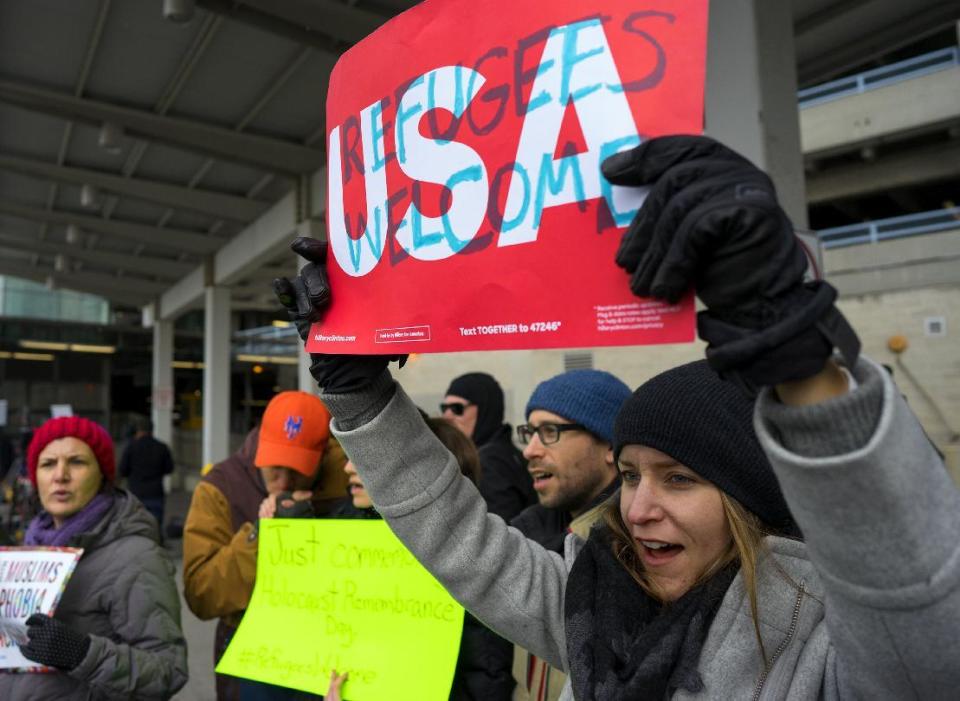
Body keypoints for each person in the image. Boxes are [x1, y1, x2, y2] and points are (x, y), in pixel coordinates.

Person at [275, 135, 960, 699]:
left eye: (680, 478)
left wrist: (800, 357)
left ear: (751, 500)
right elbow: (453, 535)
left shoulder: (828, 657)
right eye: (631, 475)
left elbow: (905, 586)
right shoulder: (594, 605)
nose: (637, 508)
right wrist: (358, 393)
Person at [0, 416, 187, 700]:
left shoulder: (136, 557)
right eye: (48, 463)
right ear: (35, 477)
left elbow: (168, 670)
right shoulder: (30, 547)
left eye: (77, 462)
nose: (60, 475)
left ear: (102, 475)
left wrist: (83, 653)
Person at [182, 390, 345, 701]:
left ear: (323, 455)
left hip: (328, 652)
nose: (284, 483)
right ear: (259, 447)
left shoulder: (348, 480)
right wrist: (261, 538)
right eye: (275, 467)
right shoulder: (220, 488)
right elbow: (201, 595)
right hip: (254, 657)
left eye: (298, 470)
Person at [335, 417, 513, 700]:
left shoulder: (471, 556)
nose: (348, 467)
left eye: (366, 456)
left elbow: (485, 670)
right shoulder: (350, 532)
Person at [508, 369, 630, 700]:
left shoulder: (641, 557)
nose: (530, 450)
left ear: (610, 446)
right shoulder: (524, 537)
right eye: (529, 432)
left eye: (550, 431)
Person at [442, 372, 536, 522]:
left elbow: (502, 532)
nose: (447, 416)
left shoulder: (490, 463)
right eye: (444, 408)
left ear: (485, 409)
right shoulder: (505, 452)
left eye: (456, 408)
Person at [118, 416, 175, 535]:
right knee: (156, 527)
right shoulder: (162, 447)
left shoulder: (131, 447)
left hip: (136, 494)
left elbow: (122, 470)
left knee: (135, 528)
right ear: (152, 430)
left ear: (137, 430)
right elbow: (169, 469)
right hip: (156, 493)